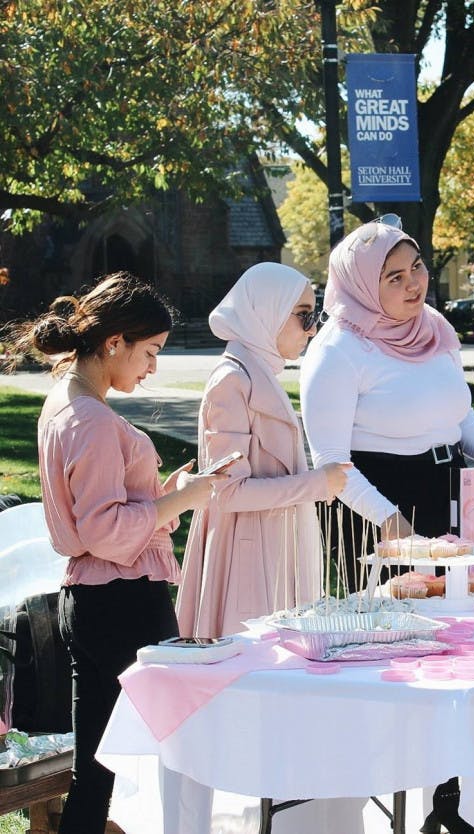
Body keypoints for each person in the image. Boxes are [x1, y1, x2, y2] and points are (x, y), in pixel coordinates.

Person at [300, 217, 474, 834]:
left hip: (445, 500)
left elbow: (458, 411)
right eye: (393, 277)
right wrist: (392, 524)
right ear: (363, 286)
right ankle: (373, 796)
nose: (412, 284)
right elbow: (330, 464)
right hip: (375, 513)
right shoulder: (338, 350)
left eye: (416, 267)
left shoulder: (433, 331)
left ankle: (450, 804)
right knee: (394, 659)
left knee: (460, 646)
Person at [8, 273, 222, 834]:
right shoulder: (93, 420)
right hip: (123, 601)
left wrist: (166, 496)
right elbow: (103, 529)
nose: (152, 368)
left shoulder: (67, 402)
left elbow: (99, 517)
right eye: (149, 352)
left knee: (96, 765)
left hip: (89, 599)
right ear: (114, 343)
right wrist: (181, 499)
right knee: (185, 742)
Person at [176, 263, 352, 639]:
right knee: (255, 668)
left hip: (273, 545)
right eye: (304, 316)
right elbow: (226, 492)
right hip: (248, 555)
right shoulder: (233, 380)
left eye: (314, 315)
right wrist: (317, 484)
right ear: (265, 311)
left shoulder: (259, 372)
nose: (313, 328)